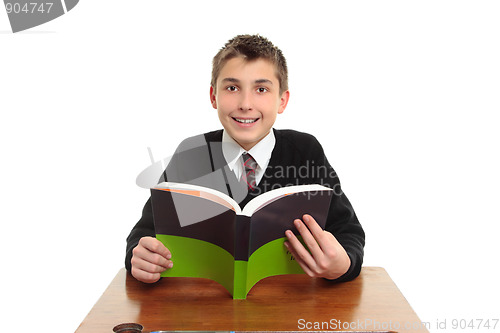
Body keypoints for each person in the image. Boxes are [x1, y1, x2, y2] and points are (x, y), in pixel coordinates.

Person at [126, 34, 365, 284]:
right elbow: (144, 234)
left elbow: (348, 232)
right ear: (213, 96)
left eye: (261, 89)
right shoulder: (192, 154)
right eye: (232, 88)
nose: (246, 104)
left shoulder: (306, 151)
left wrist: (343, 264)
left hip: (288, 305)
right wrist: (140, 258)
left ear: (282, 100)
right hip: (204, 308)